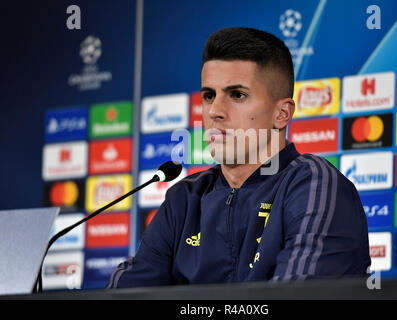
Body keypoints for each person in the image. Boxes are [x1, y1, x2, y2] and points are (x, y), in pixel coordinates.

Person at [106, 27, 370, 288]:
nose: (215, 111)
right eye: (209, 96)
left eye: (237, 95)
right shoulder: (184, 199)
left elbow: (295, 296)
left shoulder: (313, 183)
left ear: (282, 114)